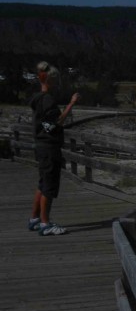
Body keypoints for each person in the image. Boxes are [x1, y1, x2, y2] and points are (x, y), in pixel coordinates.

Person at [28, 62, 80, 236]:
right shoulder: (48, 100)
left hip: (41, 145)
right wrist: (71, 104)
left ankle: (35, 218)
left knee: (43, 183)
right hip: (49, 146)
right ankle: (45, 223)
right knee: (49, 185)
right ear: (50, 80)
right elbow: (55, 124)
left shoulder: (37, 98)